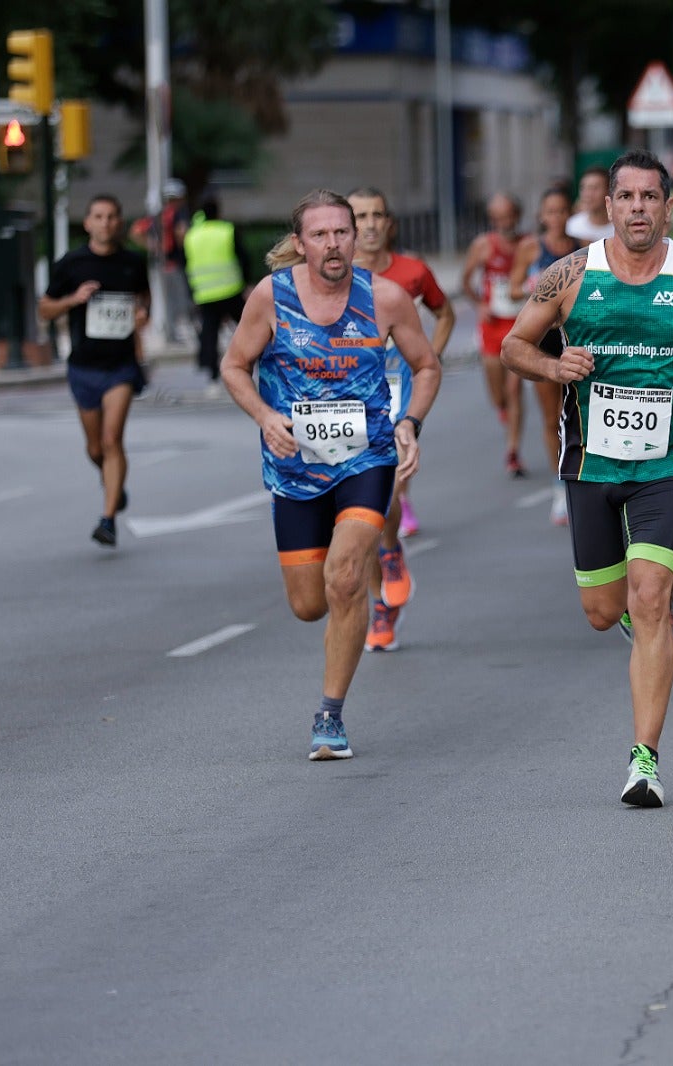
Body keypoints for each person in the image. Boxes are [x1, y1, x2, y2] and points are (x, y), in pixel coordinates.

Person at [501, 149, 673, 808]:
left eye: (650, 197)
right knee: (606, 613)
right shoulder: (569, 275)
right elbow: (515, 344)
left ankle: (644, 760)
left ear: (667, 205)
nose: (638, 209)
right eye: (626, 197)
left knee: (652, 597)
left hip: (667, 465)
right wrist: (553, 367)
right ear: (608, 206)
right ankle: (633, 623)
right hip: (590, 466)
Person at [220, 189, 440, 760]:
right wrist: (266, 416)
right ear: (300, 244)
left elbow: (425, 364)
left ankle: (330, 716)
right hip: (294, 466)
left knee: (344, 579)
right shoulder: (272, 297)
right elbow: (235, 366)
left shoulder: (386, 298)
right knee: (309, 603)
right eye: (320, 234)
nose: (334, 243)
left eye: (341, 231)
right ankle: (354, 575)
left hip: (366, 457)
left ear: (356, 236)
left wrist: (410, 422)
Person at [346, 187, 456, 653]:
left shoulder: (411, 273)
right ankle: (380, 604)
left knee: (382, 494)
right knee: (358, 518)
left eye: (377, 215)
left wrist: (428, 361)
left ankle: (391, 549)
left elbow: (444, 312)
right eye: (360, 216)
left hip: (397, 399)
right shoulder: (336, 275)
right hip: (345, 401)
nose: (369, 224)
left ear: (389, 223)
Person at [40, 194, 151, 548]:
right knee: (94, 448)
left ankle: (108, 520)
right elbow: (45, 310)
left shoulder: (132, 262)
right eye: (98, 216)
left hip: (119, 366)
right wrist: (72, 300)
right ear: (87, 223)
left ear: (119, 222)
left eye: (112, 217)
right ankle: (112, 484)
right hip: (84, 367)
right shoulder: (71, 264)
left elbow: (143, 298)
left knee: (111, 439)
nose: (105, 223)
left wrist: (142, 314)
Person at [510, 186, 582, 526]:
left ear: (570, 214)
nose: (556, 217)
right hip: (542, 340)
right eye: (550, 211)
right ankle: (559, 486)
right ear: (542, 216)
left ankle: (582, 475)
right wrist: (534, 287)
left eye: (562, 210)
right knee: (552, 417)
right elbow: (511, 288)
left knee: (578, 414)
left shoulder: (583, 250)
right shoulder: (530, 248)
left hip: (575, 339)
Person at [461, 192, 528, 476]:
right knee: (497, 392)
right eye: (498, 218)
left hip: (520, 324)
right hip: (492, 325)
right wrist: (479, 305)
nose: (504, 223)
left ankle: (512, 450)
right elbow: (465, 281)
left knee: (515, 388)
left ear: (517, 215)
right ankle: (502, 407)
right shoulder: (484, 245)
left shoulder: (528, 245)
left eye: (508, 217)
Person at [183, 196, 254, 391]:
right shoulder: (227, 230)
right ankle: (259, 362)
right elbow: (243, 258)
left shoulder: (192, 235)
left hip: (205, 293)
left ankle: (213, 375)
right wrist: (246, 283)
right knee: (250, 328)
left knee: (210, 334)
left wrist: (192, 292)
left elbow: (186, 265)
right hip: (231, 290)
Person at [127, 178, 191, 344]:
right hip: (171, 263)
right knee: (176, 300)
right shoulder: (175, 214)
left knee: (165, 299)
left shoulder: (158, 215)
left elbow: (135, 231)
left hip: (160, 263)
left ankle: (170, 332)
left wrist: (152, 246)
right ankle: (173, 333)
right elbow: (181, 234)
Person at [565, 166, 615, 243]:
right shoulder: (572, 225)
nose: (587, 194)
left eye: (594, 188)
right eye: (583, 188)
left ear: (609, 191)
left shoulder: (619, 227)